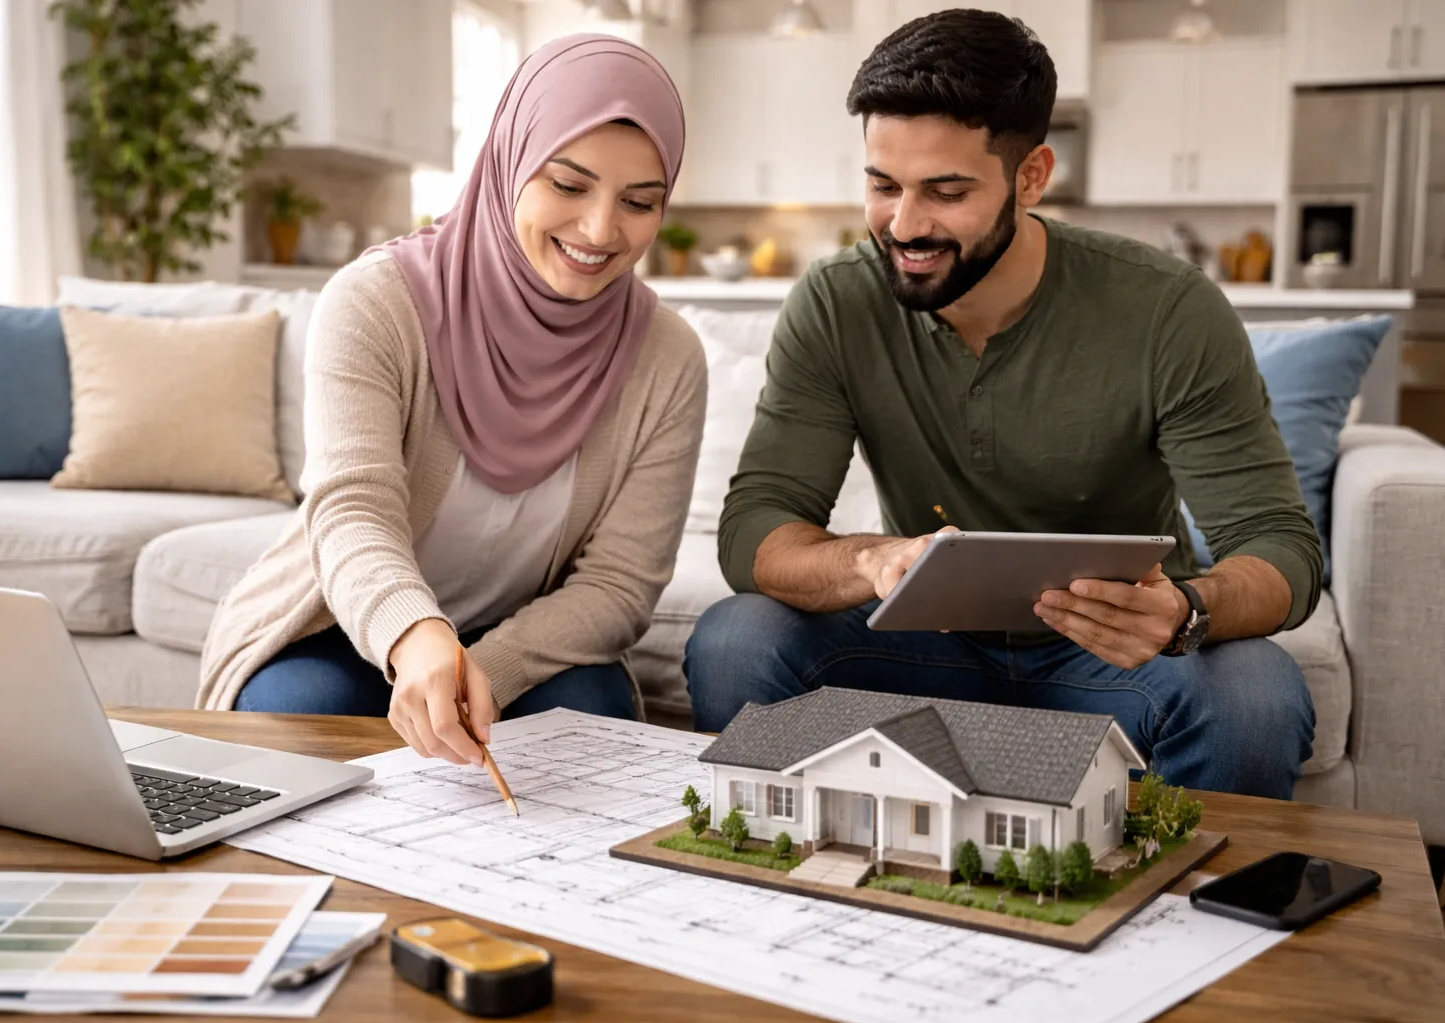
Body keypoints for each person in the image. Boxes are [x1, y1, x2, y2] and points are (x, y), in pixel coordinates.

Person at [684, 9, 1321, 800]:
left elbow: (1280, 547)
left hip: (1112, 656)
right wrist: (870, 560)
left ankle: (1177, 882)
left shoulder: (1168, 308)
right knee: (737, 640)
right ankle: (807, 860)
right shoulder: (836, 301)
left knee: (1256, 697)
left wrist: (1186, 610)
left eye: (946, 191)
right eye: (883, 186)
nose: (904, 225)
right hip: (921, 644)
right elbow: (756, 528)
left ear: (1030, 177)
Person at [197, 35, 705, 768]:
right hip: (348, 630)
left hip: (524, 646)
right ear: (509, 163)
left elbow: (619, 585)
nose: (601, 230)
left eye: (639, 202)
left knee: (592, 725)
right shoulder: (375, 303)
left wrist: (483, 669)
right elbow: (352, 510)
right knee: (300, 721)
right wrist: (414, 635)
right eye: (568, 185)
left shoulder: (667, 357)